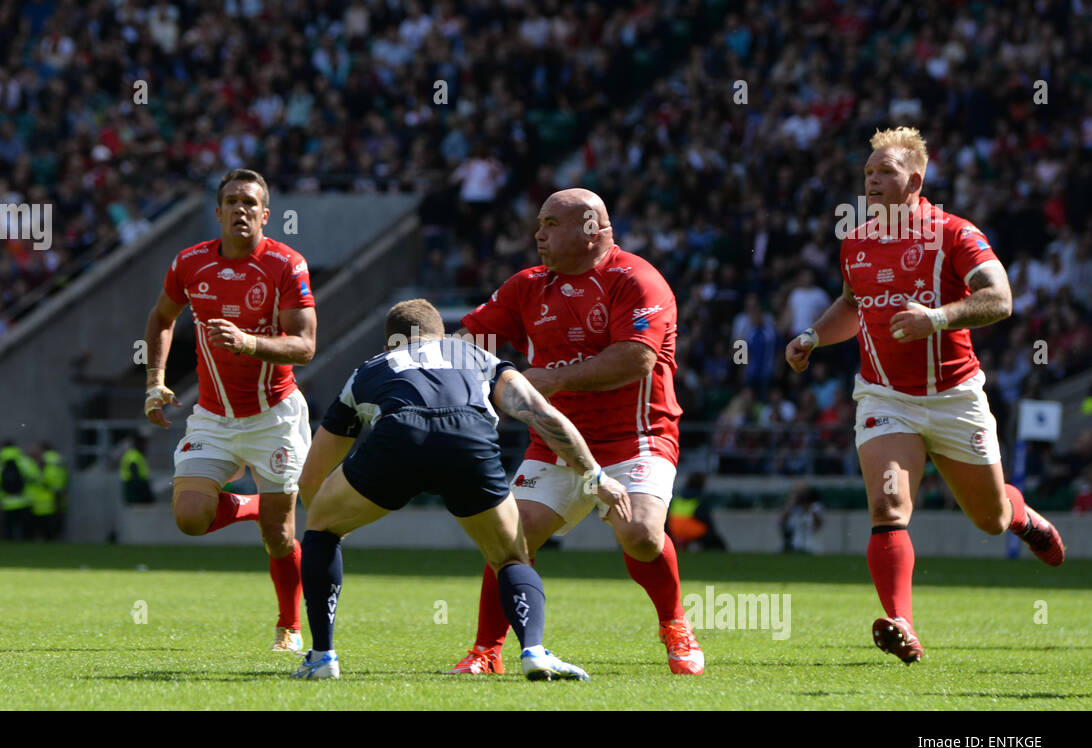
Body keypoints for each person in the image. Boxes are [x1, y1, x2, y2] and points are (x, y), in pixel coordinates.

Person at [785, 126, 1066, 664]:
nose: (871, 180)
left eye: (884, 171)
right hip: (884, 397)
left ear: (915, 179)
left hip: (956, 396)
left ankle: (1024, 518)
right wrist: (814, 336)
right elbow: (852, 305)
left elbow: (1000, 298)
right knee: (889, 503)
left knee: (990, 520)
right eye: (867, 172)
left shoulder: (955, 233)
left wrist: (936, 317)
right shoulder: (857, 240)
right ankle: (901, 623)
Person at [291, 299, 629, 680]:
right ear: (443, 335)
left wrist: (331, 527)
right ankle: (533, 651)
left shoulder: (370, 369)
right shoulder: (476, 355)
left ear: (390, 343)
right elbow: (542, 414)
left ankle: (322, 658)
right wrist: (595, 476)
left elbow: (312, 475)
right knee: (511, 557)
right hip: (467, 436)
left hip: (400, 436)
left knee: (321, 529)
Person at [450, 187, 705, 676]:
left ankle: (674, 623)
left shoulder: (637, 279)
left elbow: (637, 358)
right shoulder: (526, 285)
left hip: (636, 436)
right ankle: (487, 650)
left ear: (591, 228)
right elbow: (471, 340)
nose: (537, 234)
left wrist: (554, 377)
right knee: (510, 538)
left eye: (550, 223)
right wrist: (432, 365)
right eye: (540, 223)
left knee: (641, 535)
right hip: (556, 442)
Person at [143, 168, 317, 653]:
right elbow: (161, 318)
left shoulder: (286, 264)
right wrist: (155, 383)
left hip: (274, 416)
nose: (240, 209)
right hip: (214, 417)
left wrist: (248, 343)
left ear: (265, 214)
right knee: (190, 517)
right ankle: (251, 505)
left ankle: (289, 625)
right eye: (232, 201)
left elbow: (304, 347)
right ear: (217, 212)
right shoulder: (190, 263)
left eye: (250, 202)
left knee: (280, 539)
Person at [119, 434, 154, 504]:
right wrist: (143, 492)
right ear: (138, 444)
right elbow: (134, 475)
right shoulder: (133, 456)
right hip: (134, 487)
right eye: (143, 444)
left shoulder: (135, 455)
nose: (145, 447)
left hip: (135, 485)